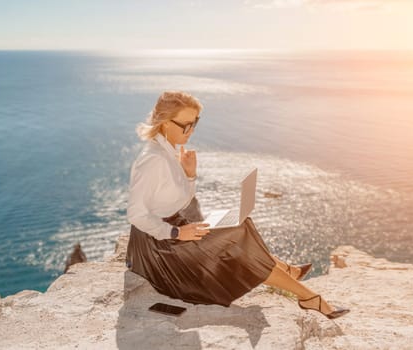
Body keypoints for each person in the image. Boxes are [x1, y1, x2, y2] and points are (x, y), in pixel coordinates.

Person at [125, 91, 349, 319]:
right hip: (158, 250)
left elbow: (178, 200)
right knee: (236, 237)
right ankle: (308, 297)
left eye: (195, 124)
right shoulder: (153, 160)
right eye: (186, 125)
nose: (191, 131)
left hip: (172, 233)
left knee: (241, 225)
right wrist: (177, 232)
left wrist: (190, 175)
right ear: (164, 122)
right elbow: (135, 214)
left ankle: (293, 277)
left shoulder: (170, 150)